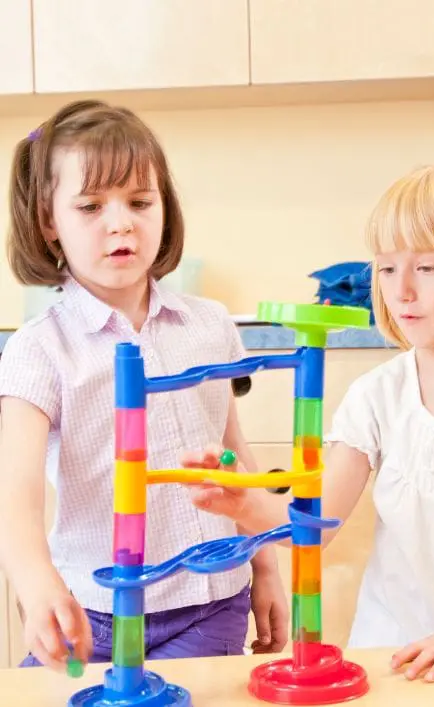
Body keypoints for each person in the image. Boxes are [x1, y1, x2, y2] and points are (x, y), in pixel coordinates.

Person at [182, 160, 434, 692]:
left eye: (427, 268)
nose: (400, 290)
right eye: (386, 269)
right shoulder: (376, 397)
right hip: (398, 664)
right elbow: (316, 530)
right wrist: (242, 503)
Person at [0, 99, 288, 672]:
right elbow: (16, 489)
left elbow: (236, 458)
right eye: (90, 206)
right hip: (92, 607)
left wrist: (267, 566)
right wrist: (35, 584)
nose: (121, 222)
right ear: (48, 221)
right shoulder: (39, 348)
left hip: (209, 601)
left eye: (139, 201)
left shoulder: (211, 325)